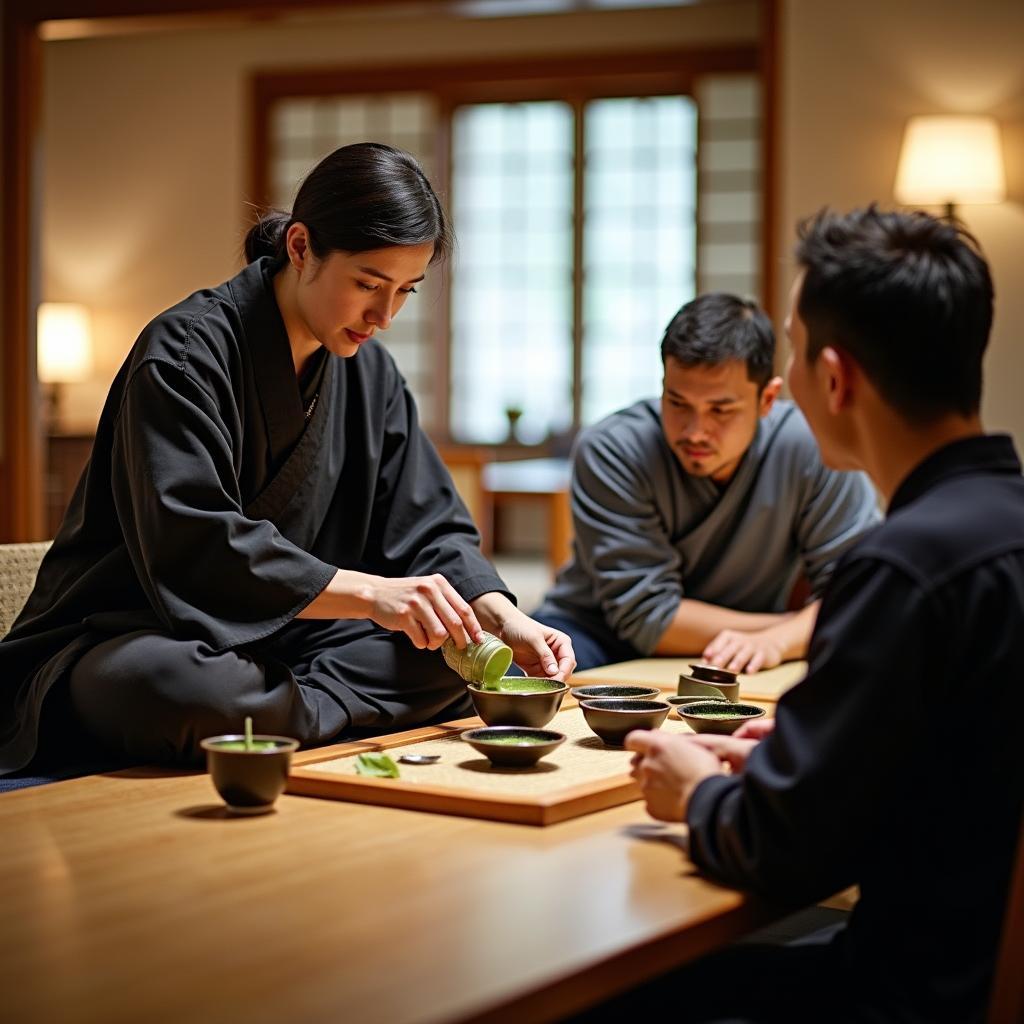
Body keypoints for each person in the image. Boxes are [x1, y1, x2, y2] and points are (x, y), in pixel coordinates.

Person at [0, 142, 574, 775]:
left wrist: (501, 615)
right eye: (367, 284)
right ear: (301, 247)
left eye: (406, 291)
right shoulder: (185, 353)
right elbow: (194, 542)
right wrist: (370, 595)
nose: (383, 316)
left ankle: (274, 717)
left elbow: (429, 525)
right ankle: (287, 708)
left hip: (291, 642)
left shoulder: (371, 375)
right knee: (173, 686)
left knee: (446, 654)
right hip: (146, 630)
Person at [624, 207, 1024, 1022]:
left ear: (835, 378)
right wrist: (812, 743)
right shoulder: (999, 528)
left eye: (798, 353)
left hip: (910, 995)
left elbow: (782, 851)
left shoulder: (903, 568)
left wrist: (695, 791)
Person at [532, 292, 880, 672]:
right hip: (595, 634)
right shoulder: (614, 449)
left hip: (742, 648)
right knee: (522, 683)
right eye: (678, 403)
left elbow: (860, 595)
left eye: (721, 410)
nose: (695, 432)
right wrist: (793, 629)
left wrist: (782, 639)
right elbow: (650, 620)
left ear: (767, 400)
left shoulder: (812, 449)